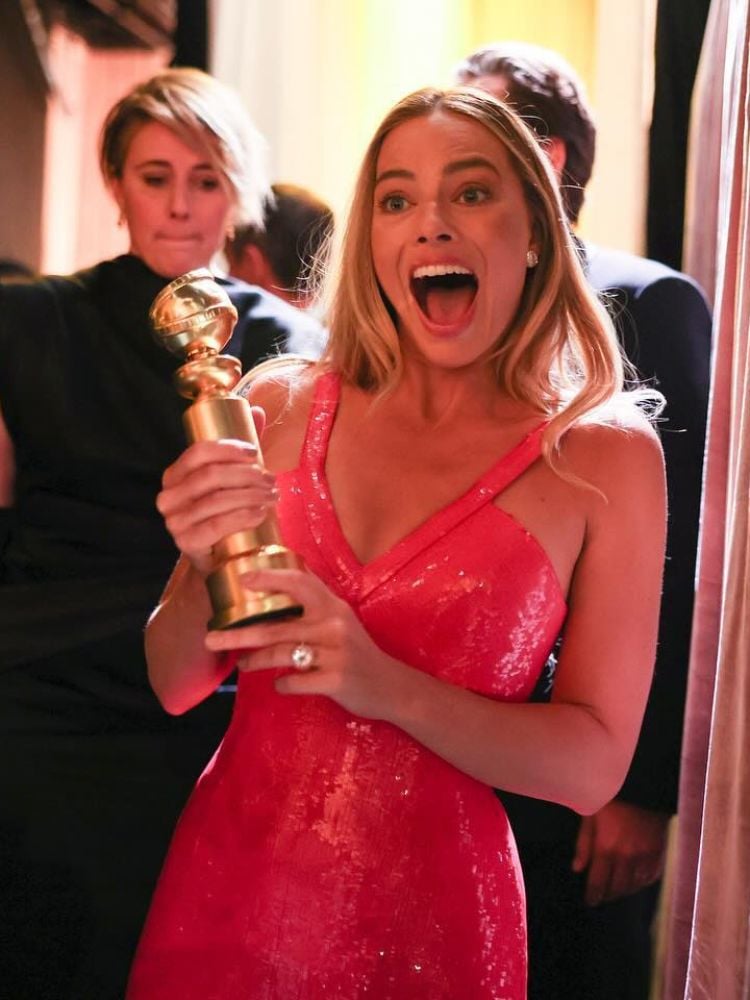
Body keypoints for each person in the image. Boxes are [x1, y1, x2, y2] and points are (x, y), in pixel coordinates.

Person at [127, 86, 666, 999]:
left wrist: (385, 686)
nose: (431, 225)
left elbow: (592, 767)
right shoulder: (275, 403)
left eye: (470, 192)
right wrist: (196, 569)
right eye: (396, 198)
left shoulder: (604, 458)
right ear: (373, 243)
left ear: (534, 230)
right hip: (224, 898)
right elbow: (174, 682)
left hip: (434, 931)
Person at [0, 67, 322, 1000]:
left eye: (207, 178)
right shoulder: (29, 322)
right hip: (44, 690)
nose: (180, 205)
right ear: (115, 184)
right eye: (154, 176)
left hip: (208, 689)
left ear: (240, 192)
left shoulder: (293, 348)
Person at [454, 42, 712, 1000]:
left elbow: (681, 561)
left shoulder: (648, 303)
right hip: (447, 732)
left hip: (582, 768)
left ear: (549, 157)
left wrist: (641, 788)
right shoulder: (443, 300)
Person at [225, 181, 333, 310]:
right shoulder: (333, 327)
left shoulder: (232, 326)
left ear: (251, 263)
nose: (227, 278)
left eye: (230, 265)